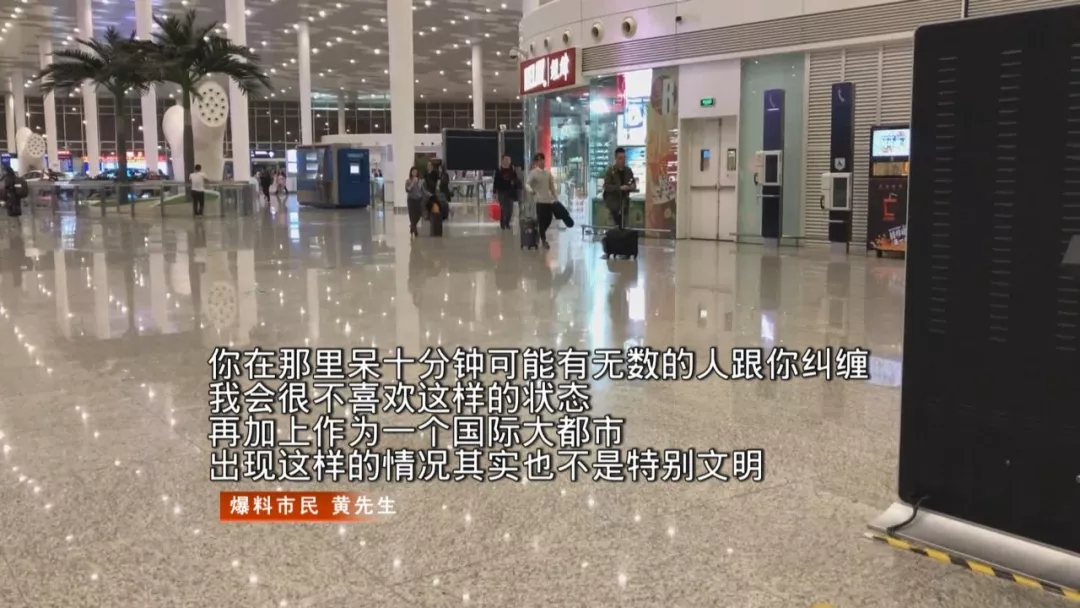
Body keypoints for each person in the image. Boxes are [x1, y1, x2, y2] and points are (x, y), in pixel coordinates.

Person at [526, 153, 557, 249]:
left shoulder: (548, 173)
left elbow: (551, 186)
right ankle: (544, 240)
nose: (541, 162)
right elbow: (527, 184)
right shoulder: (533, 173)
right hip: (539, 200)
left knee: (549, 219)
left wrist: (555, 196)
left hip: (548, 200)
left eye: (542, 160)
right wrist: (531, 191)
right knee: (541, 220)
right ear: (536, 162)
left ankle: (539, 233)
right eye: (539, 160)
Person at [602, 147, 636, 231]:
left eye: (624, 158)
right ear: (616, 159)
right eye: (620, 158)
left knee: (624, 230)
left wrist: (631, 186)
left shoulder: (628, 171)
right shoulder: (610, 171)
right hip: (613, 206)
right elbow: (606, 186)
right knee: (614, 231)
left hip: (625, 205)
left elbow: (632, 183)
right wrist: (619, 188)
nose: (623, 160)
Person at [493, 155, 521, 230]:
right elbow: (496, 181)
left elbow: (516, 179)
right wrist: (494, 192)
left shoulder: (512, 169)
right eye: (506, 159)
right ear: (502, 160)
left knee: (510, 209)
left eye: (508, 160)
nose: (507, 161)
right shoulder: (499, 169)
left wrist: (514, 182)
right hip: (501, 191)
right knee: (502, 208)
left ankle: (507, 222)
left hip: (511, 191)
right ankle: (502, 222)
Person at [405, 166, 425, 238]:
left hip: (418, 200)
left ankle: (412, 226)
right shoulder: (408, 181)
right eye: (413, 171)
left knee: (419, 215)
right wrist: (413, 183)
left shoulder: (420, 181)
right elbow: (407, 190)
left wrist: (429, 194)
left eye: (416, 171)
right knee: (412, 216)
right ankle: (415, 230)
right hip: (411, 199)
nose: (414, 173)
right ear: (411, 172)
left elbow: (423, 190)